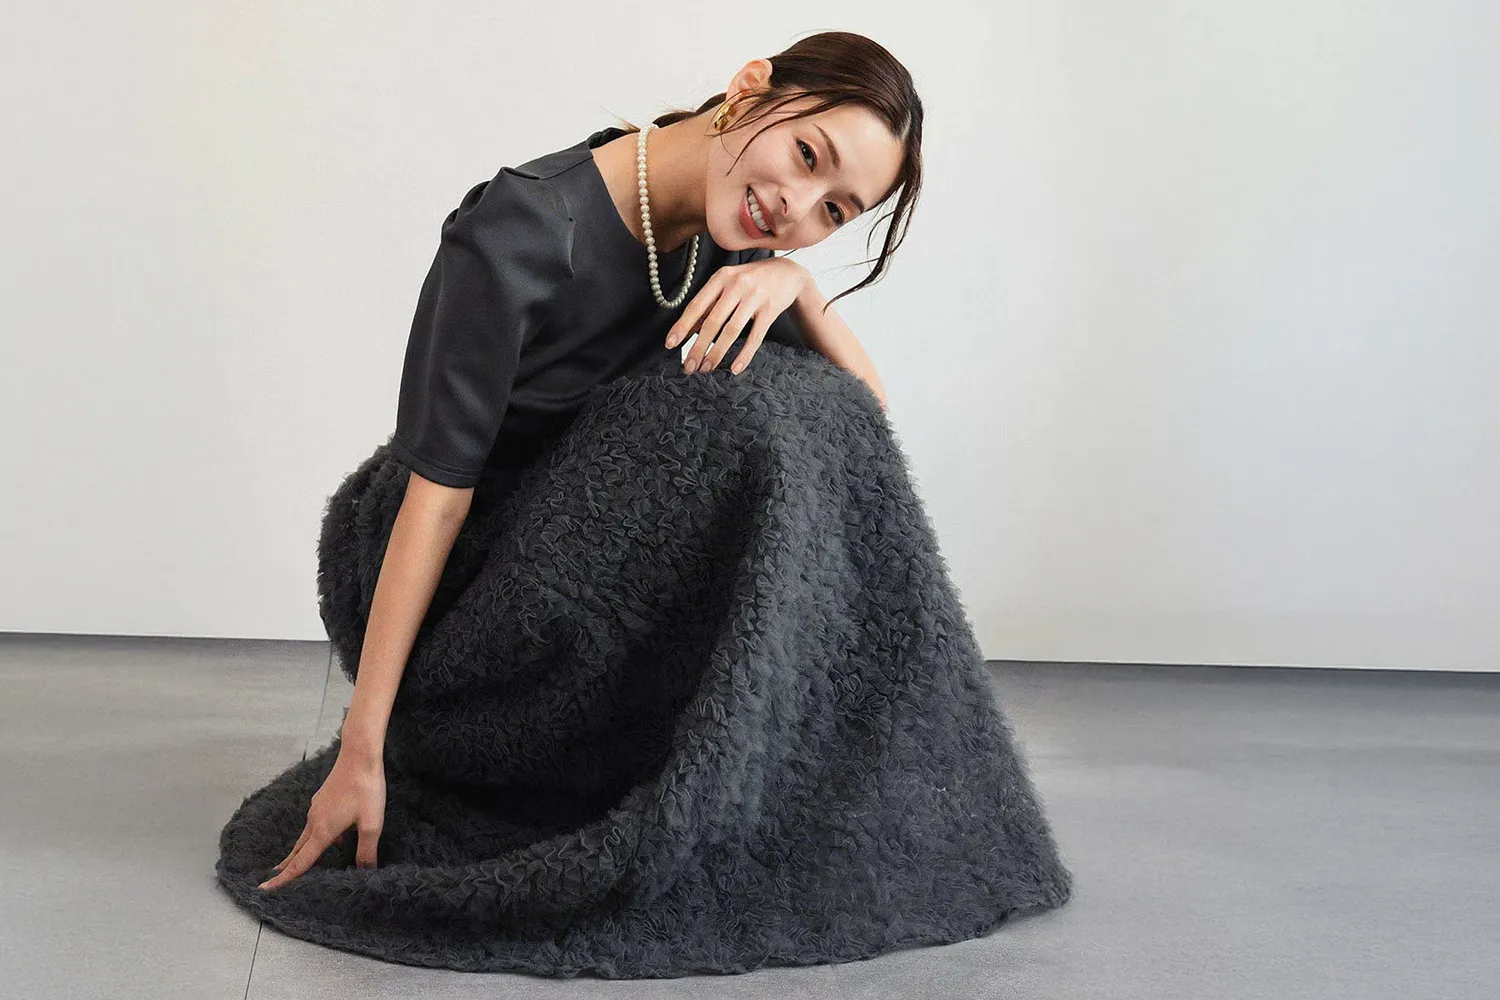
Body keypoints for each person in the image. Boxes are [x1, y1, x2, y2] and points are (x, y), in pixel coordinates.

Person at [258, 30, 922, 892]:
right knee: (733, 422)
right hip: (453, 566)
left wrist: (797, 286)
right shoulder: (522, 231)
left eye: (834, 210)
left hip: (576, 573)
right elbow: (437, 497)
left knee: (790, 411)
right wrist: (361, 747)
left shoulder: (738, 234)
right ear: (750, 87)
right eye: (807, 155)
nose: (797, 208)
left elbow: (859, 415)